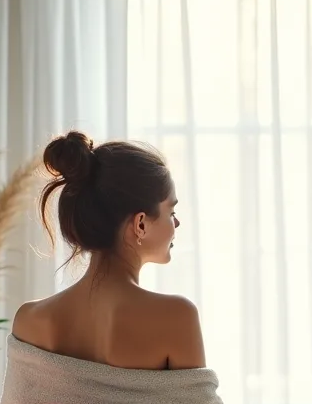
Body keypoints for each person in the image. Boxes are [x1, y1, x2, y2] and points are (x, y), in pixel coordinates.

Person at [10, 130, 205, 371]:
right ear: (140, 223)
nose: (176, 224)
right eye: (171, 213)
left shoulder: (30, 320)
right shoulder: (176, 317)